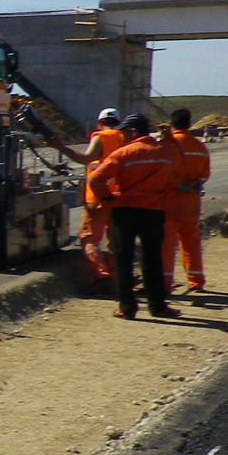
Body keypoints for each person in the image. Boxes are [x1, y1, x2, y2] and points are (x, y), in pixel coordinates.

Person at [87, 113, 182, 320]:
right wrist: (169, 138)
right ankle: (157, 306)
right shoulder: (166, 151)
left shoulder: (124, 153)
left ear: (133, 131)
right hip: (154, 211)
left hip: (124, 212)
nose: (121, 137)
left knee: (123, 260)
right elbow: (178, 161)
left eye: (124, 133)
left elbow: (95, 179)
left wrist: (107, 198)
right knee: (152, 259)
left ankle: (127, 308)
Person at [49, 108, 124, 287]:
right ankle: (118, 276)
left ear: (99, 123)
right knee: (116, 240)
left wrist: (60, 147)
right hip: (119, 196)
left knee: (90, 238)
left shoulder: (101, 137)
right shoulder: (124, 138)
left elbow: (85, 158)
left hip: (98, 198)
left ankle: (101, 275)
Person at [160, 108, 209, 292]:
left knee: (166, 245)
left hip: (170, 202)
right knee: (191, 242)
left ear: (172, 124)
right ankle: (196, 280)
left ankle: (164, 282)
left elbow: (164, 171)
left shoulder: (169, 145)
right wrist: (193, 185)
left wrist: (179, 185)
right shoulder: (200, 147)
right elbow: (205, 175)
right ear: (189, 124)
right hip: (192, 203)